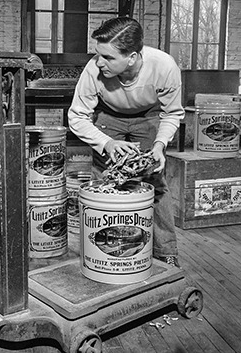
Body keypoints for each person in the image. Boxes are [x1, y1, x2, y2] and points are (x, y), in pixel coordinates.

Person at [68, 17, 184, 267]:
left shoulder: (164, 66)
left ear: (131, 57)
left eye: (108, 58)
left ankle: (166, 251)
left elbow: (172, 113)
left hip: (148, 117)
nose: (99, 62)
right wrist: (106, 143)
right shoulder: (93, 69)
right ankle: (103, 249)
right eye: (98, 54)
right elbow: (76, 116)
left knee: (154, 180)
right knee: (105, 178)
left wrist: (159, 145)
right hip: (109, 118)